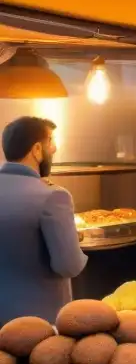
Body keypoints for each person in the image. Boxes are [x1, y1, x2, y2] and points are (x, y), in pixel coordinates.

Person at [0, 117, 87, 323]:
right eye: (51, 142)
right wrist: (74, 239)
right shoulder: (53, 196)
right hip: (38, 322)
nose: (54, 148)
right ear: (37, 150)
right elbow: (69, 266)